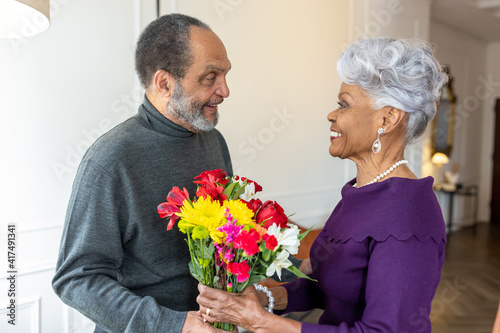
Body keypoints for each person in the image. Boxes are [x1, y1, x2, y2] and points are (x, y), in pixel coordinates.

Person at [196, 37, 448, 332]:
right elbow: (336, 287)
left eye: (344, 104)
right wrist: (266, 298)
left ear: (388, 118)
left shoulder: (409, 215)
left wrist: (262, 322)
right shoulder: (359, 194)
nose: (331, 114)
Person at [52, 13, 234, 333]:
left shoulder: (214, 142)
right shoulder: (111, 159)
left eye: (225, 75)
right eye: (210, 77)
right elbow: (75, 279)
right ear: (164, 83)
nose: (225, 90)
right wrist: (175, 325)